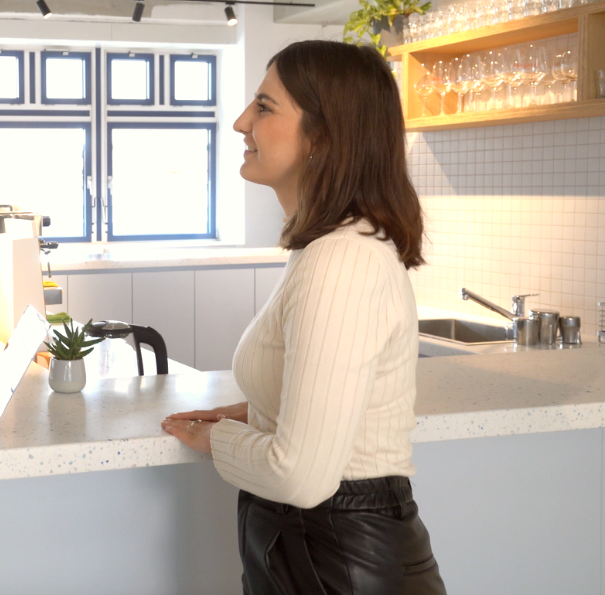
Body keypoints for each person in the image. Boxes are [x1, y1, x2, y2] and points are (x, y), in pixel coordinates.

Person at [161, 40, 447, 594]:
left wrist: (213, 440)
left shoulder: (341, 260)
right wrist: (257, 411)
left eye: (265, 108)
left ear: (325, 136)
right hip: (330, 556)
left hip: (339, 560)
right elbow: (342, 397)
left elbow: (301, 474)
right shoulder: (328, 250)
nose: (242, 122)